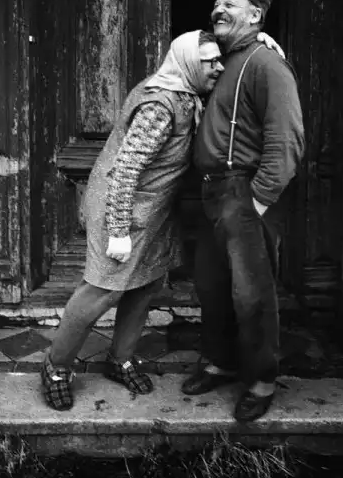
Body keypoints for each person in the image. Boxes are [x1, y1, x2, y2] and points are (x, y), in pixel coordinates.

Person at [41, 30, 224, 411]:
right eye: (210, 61)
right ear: (190, 63)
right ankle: (56, 367)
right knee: (102, 290)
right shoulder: (160, 106)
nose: (219, 67)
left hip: (153, 210)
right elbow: (125, 171)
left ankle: (120, 359)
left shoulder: (185, 92)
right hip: (123, 208)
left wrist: (266, 44)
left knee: (145, 285)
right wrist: (119, 230)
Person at [181, 0, 305, 423]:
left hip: (244, 191)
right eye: (216, 4)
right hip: (212, 192)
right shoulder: (221, 61)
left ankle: (261, 380)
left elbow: (287, 139)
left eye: (230, 5)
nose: (218, 10)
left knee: (252, 295)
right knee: (212, 286)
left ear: (255, 15)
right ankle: (220, 362)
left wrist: (260, 199)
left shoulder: (266, 64)